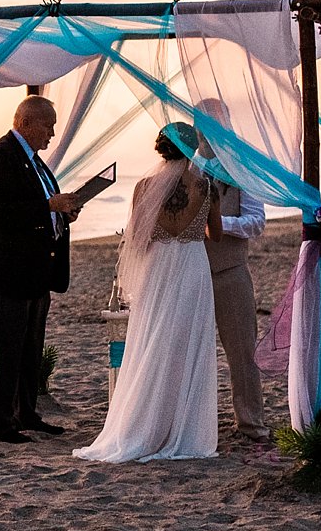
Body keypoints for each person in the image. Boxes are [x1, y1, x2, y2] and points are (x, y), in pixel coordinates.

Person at [75, 122, 220, 463]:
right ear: (191, 150)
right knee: (187, 346)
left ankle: (143, 425)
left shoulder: (144, 187)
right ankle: (180, 428)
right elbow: (218, 235)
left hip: (158, 270)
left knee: (151, 341)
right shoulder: (205, 185)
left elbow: (138, 237)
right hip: (191, 268)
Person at [0, 95, 87, 443]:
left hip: (36, 271)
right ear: (25, 122)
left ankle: (26, 413)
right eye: (48, 126)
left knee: (30, 348)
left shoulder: (35, 162)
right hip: (9, 272)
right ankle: (0, 423)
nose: (52, 134)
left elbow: (38, 208)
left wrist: (62, 211)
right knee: (5, 348)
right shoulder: (2, 154)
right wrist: (49, 204)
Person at [195, 99, 270, 441]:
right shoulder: (189, 165)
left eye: (212, 125)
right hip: (190, 272)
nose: (204, 133)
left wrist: (216, 224)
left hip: (229, 270)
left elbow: (256, 222)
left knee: (241, 351)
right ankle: (193, 423)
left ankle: (251, 422)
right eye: (200, 125)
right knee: (189, 352)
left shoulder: (243, 169)